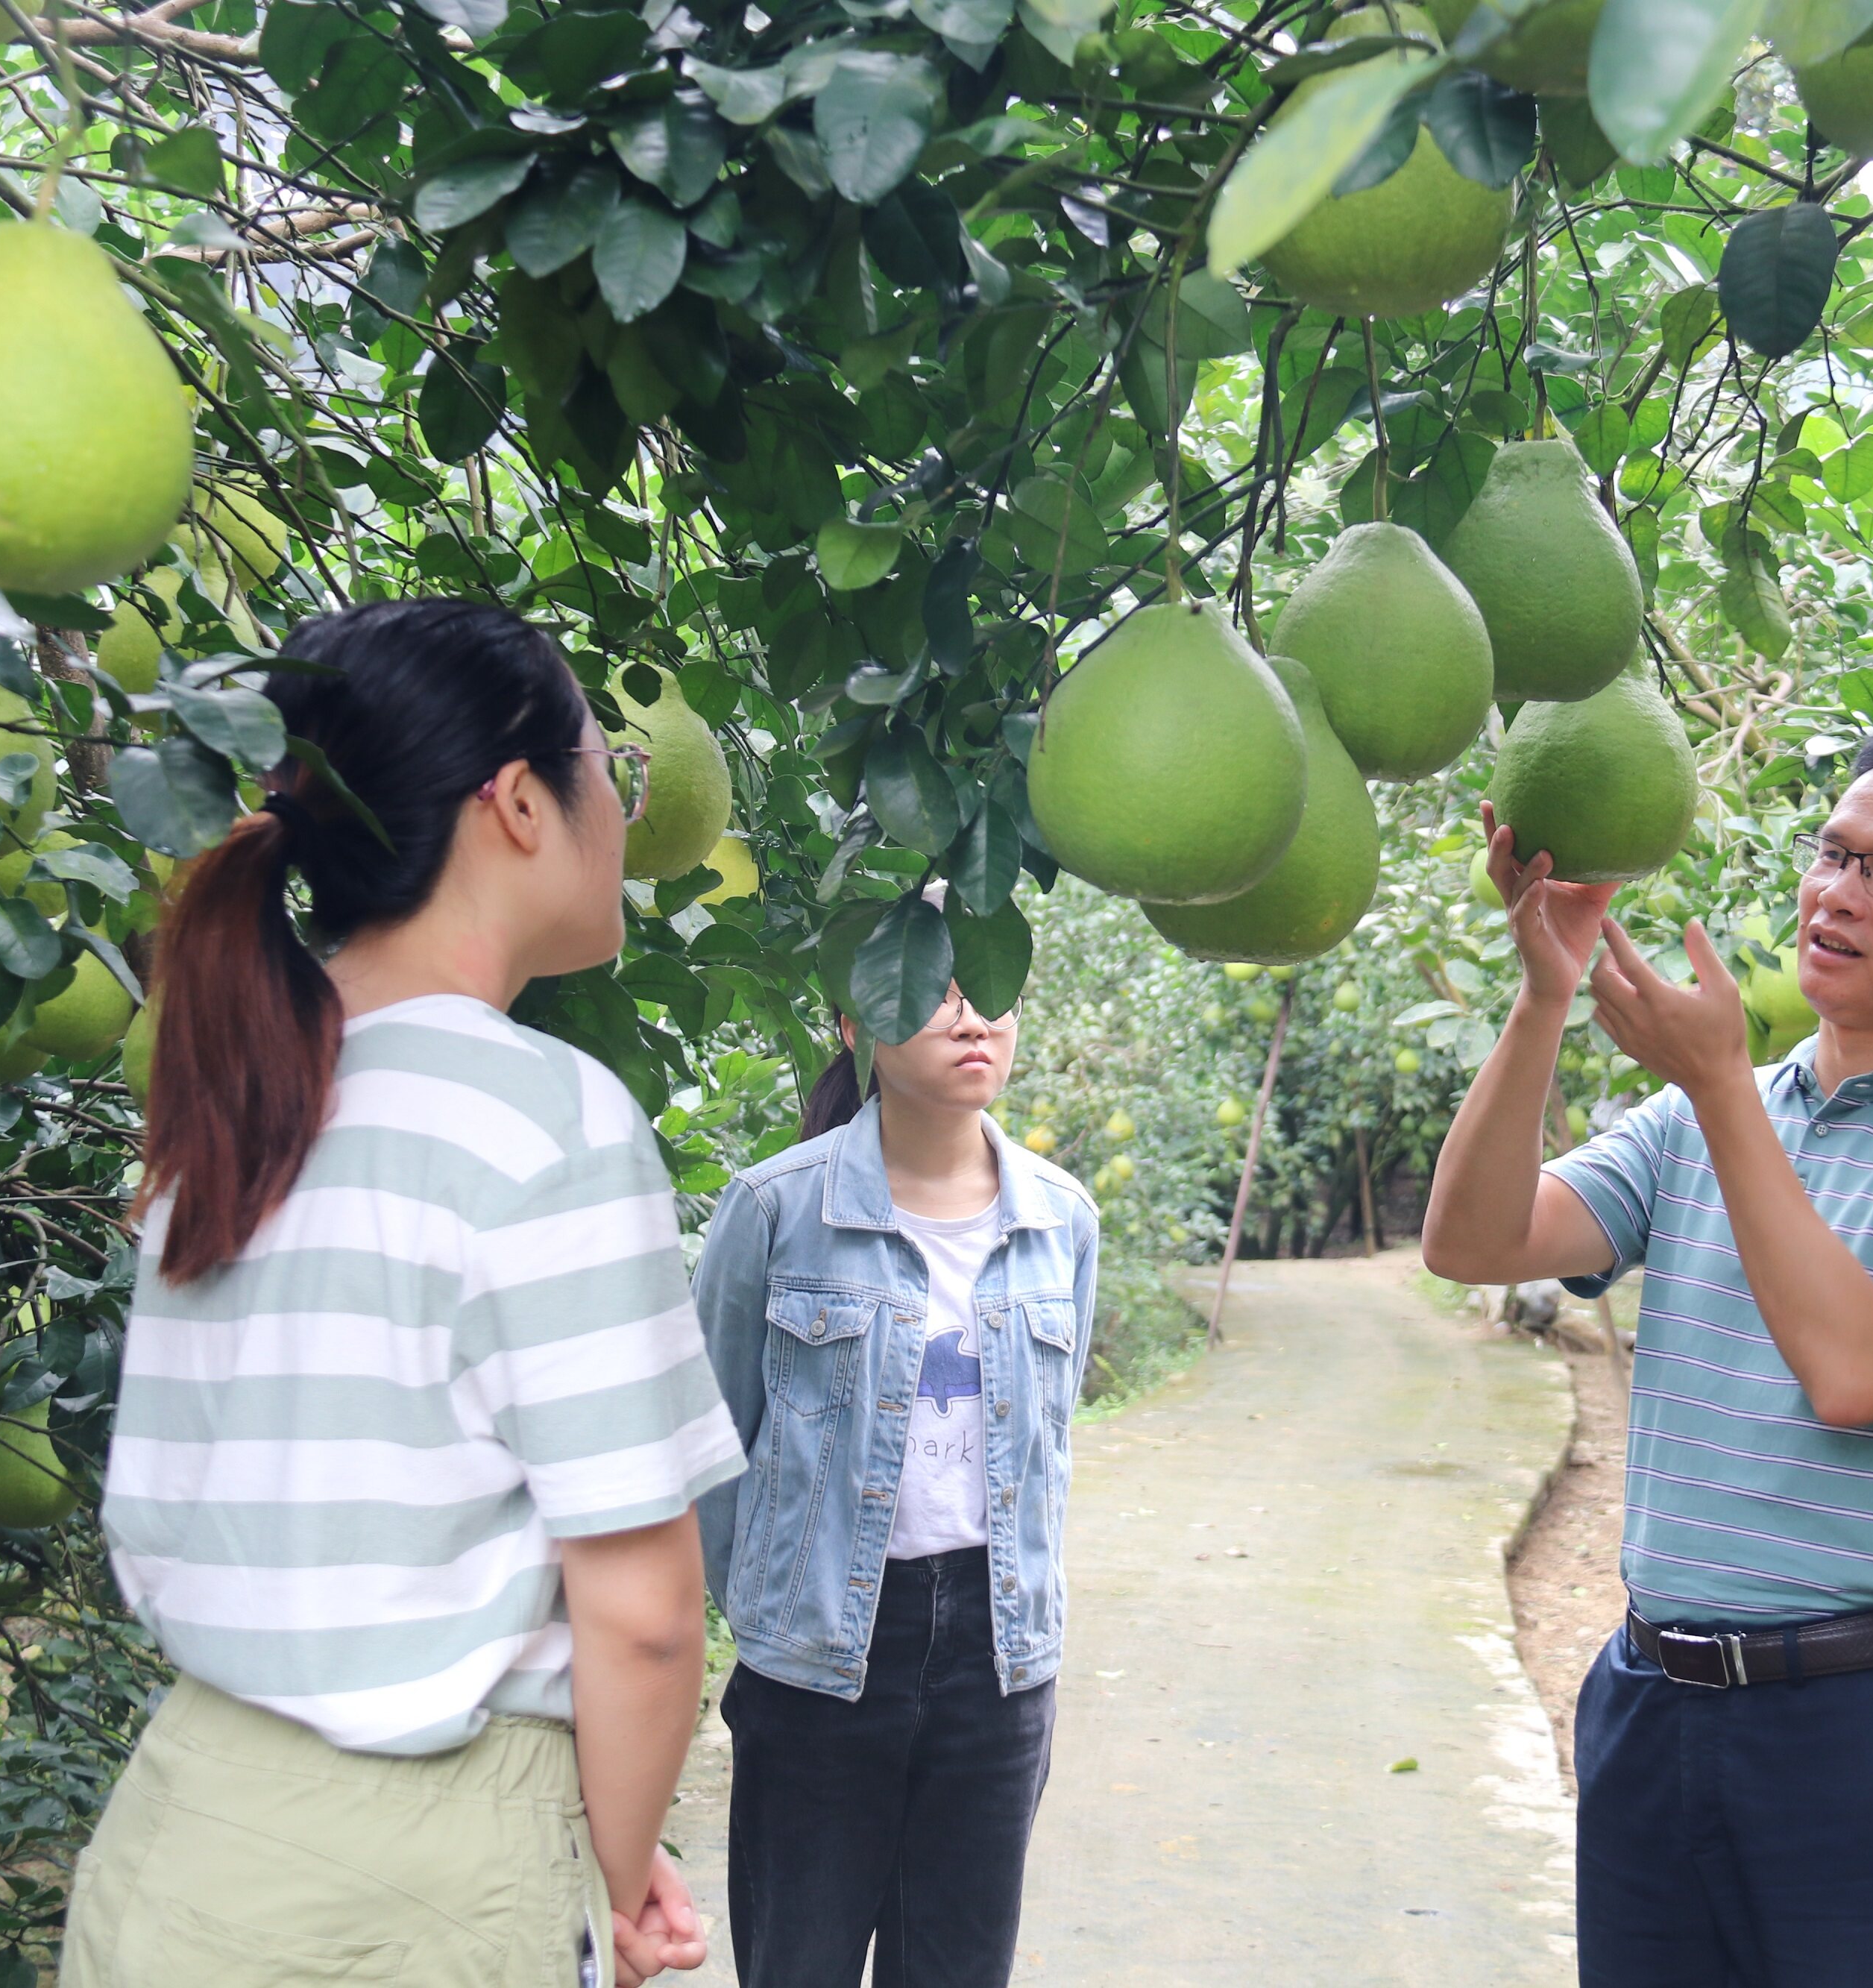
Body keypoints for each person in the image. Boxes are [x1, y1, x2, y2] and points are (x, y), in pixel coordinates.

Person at [61, 600, 744, 1988]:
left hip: (181, 1830)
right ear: (516, 804)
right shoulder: (539, 1116)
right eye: (614, 769)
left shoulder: (238, 1102)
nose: (624, 806)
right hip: (406, 1885)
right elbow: (647, 1612)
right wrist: (609, 1875)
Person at [1421, 722, 1873, 1987]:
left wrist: (1727, 1086)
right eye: (1831, 853)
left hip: (1871, 1730)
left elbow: (1857, 1369)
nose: (1837, 892)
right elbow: (1473, 1239)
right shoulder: (1696, 1117)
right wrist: (1545, 994)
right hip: (1652, 1704)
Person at [690, 957, 1099, 1988]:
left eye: (993, 985)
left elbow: (1049, 1454)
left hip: (998, 1662)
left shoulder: (1063, 1219)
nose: (974, 1014)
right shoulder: (777, 1209)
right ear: (853, 1019)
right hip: (821, 1660)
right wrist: (771, 1615)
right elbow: (706, 1449)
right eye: (937, 987)